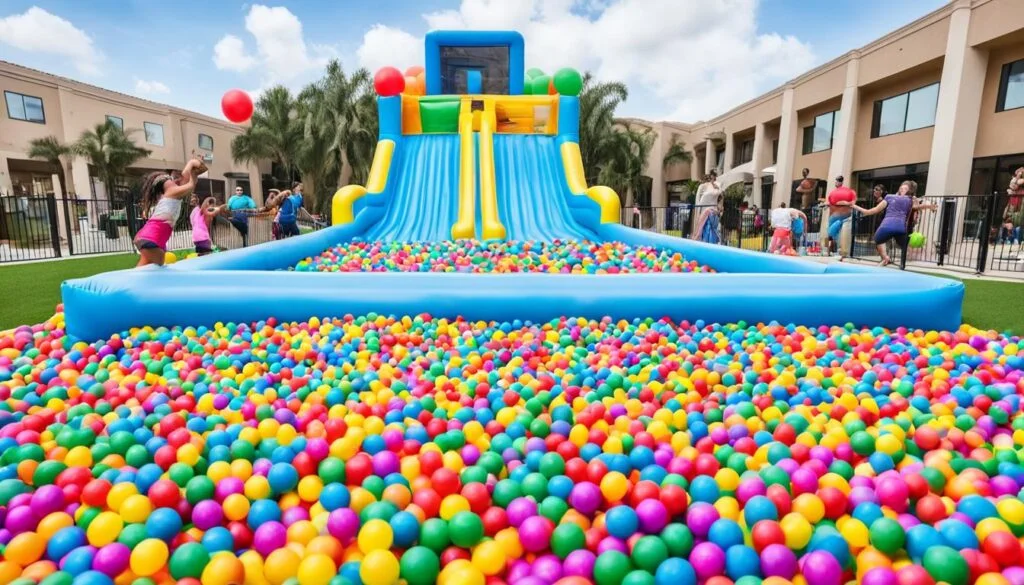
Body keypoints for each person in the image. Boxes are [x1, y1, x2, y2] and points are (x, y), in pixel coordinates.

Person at [134, 154, 206, 267]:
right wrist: (193, 165)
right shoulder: (171, 192)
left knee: (145, 267)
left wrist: (192, 163)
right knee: (158, 266)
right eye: (170, 179)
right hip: (150, 238)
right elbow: (190, 184)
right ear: (165, 183)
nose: (174, 180)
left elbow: (186, 178)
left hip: (152, 239)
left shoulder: (172, 193)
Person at [853, 180, 937, 269]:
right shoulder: (891, 198)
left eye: (905, 188)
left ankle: (899, 263)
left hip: (900, 226)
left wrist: (928, 206)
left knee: (901, 244)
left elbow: (916, 207)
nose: (902, 189)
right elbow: (871, 211)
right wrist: (854, 206)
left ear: (909, 191)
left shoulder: (911, 199)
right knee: (880, 240)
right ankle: (886, 258)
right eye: (902, 187)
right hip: (891, 225)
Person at [824, 175, 857, 260]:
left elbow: (831, 202)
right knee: (840, 234)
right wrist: (846, 203)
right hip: (846, 216)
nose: (835, 183)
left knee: (831, 234)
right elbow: (853, 203)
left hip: (835, 216)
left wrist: (841, 203)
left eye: (836, 181)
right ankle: (839, 252)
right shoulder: (850, 192)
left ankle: (830, 251)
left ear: (838, 182)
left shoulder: (833, 193)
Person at [692, 171, 722, 244]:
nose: (712, 177)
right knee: (706, 227)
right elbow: (699, 201)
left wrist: (719, 208)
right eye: (711, 176)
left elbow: (721, 196)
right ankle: (705, 242)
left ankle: (712, 242)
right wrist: (699, 211)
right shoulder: (703, 186)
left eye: (714, 176)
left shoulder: (718, 185)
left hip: (714, 210)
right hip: (705, 209)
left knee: (713, 228)